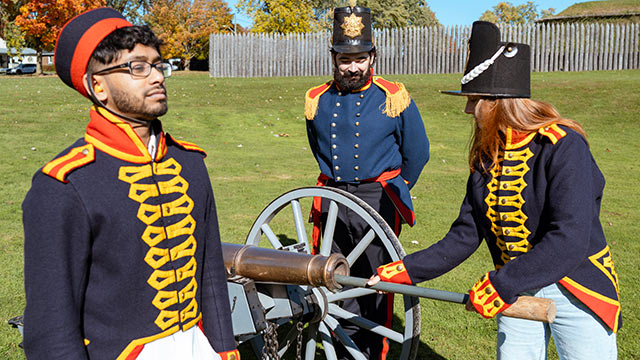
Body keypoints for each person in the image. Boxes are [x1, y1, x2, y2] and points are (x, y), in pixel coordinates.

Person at [369, 21, 621, 360]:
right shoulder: (488, 156)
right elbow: (465, 234)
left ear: (498, 101)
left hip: (577, 284)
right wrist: (407, 269)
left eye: (475, 100)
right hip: (514, 284)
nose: (469, 110)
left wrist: (501, 283)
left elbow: (571, 236)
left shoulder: (563, 146)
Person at [22, 7, 239, 360]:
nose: (156, 77)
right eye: (137, 67)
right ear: (98, 86)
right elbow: (51, 327)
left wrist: (225, 350)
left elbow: (210, 274)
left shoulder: (190, 164)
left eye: (157, 65)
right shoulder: (65, 184)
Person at [304, 5, 429, 359]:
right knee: (333, 277)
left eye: (360, 58)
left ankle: (377, 351)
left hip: (378, 200)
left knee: (378, 282)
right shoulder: (317, 100)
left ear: (372, 56)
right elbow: (318, 148)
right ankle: (342, 349)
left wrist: (393, 187)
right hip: (331, 200)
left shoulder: (393, 96)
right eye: (345, 59)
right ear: (334, 59)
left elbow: (417, 153)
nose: (353, 67)